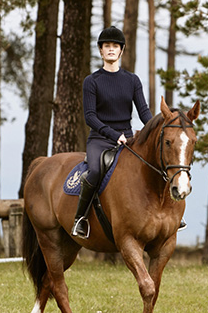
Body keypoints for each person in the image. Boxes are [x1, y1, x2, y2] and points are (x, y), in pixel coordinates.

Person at [71, 26, 186, 239]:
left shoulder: (132, 80)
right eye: (107, 46)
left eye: (115, 46)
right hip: (101, 140)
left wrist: (154, 128)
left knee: (158, 164)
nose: (111, 49)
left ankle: (171, 213)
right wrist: (114, 135)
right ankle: (81, 218)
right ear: (101, 51)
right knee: (95, 170)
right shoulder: (92, 81)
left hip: (128, 139)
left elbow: (143, 111)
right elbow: (90, 117)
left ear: (122, 51)